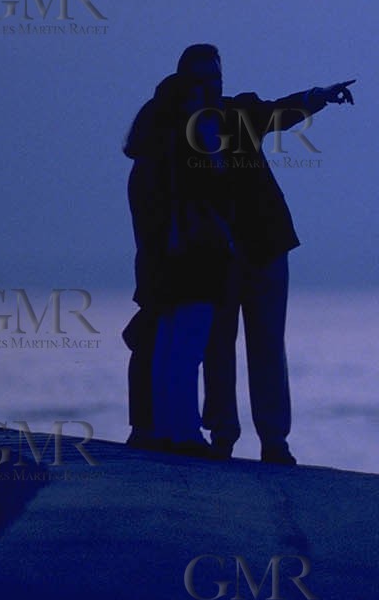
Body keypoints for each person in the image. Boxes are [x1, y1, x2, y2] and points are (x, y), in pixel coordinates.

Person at [168, 44, 355, 465]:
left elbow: (280, 112)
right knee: (219, 345)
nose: (212, 85)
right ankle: (223, 434)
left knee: (267, 343)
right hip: (217, 256)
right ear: (187, 83)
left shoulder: (239, 114)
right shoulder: (178, 133)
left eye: (215, 76)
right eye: (203, 78)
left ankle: (274, 440)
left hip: (266, 246)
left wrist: (318, 96)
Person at [123, 70, 235, 457]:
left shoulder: (150, 159)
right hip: (196, 264)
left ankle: (167, 427)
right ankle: (185, 432)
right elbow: (215, 194)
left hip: (163, 268)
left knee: (168, 350)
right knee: (186, 351)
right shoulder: (186, 155)